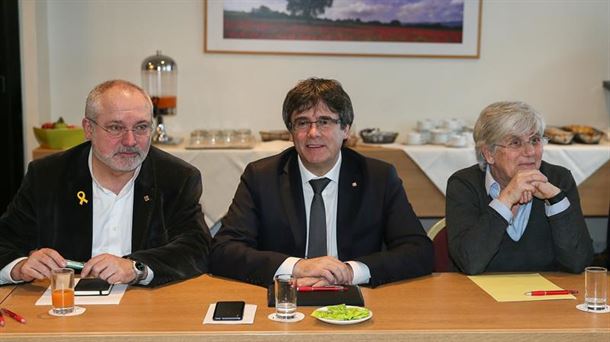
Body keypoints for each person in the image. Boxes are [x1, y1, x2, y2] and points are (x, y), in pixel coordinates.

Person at [210, 77, 433, 287]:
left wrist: (351, 272)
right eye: (302, 123)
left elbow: (419, 251)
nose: (313, 133)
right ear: (291, 132)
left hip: (356, 301)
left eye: (324, 122)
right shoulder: (262, 177)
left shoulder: (378, 178)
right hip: (285, 300)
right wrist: (297, 267)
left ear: (345, 129)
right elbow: (224, 250)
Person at [0, 80, 210, 287]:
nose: (130, 141)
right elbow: (5, 242)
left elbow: (197, 248)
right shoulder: (48, 177)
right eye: (116, 128)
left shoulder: (176, 178)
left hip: (144, 305)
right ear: (88, 129)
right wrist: (19, 267)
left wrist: (136, 268)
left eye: (141, 127)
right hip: (65, 306)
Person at [446, 101, 593, 275]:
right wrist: (506, 199)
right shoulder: (464, 184)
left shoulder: (558, 180)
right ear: (489, 154)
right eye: (515, 143)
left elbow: (579, 263)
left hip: (545, 297)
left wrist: (556, 199)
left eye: (535, 140)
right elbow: (470, 262)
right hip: (480, 297)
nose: (530, 151)